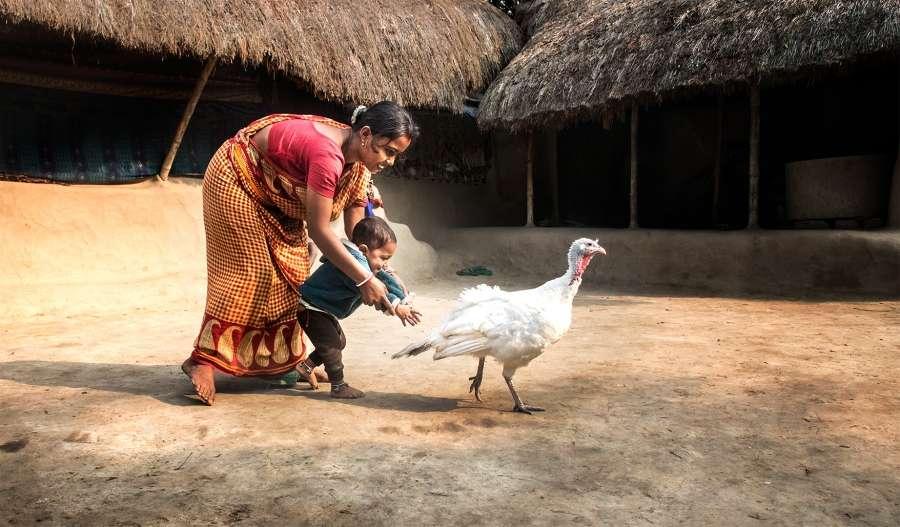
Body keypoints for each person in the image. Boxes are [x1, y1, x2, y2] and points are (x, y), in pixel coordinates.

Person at [182, 102, 419, 405]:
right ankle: (202, 360)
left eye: (396, 155)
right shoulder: (327, 156)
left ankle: (282, 362)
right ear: (365, 134)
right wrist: (363, 280)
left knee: (294, 276)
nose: (390, 161)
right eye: (388, 151)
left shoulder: (358, 166)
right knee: (251, 274)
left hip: (278, 199)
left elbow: (359, 234)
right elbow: (320, 230)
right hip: (239, 179)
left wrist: (380, 270)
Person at [295, 216, 421, 398]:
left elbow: (383, 280)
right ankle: (338, 386)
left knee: (340, 342)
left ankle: (306, 367)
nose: (384, 264)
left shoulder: (362, 263)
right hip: (311, 308)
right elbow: (375, 291)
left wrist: (403, 298)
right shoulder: (351, 266)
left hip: (321, 309)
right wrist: (395, 306)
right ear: (363, 250)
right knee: (332, 345)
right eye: (383, 258)